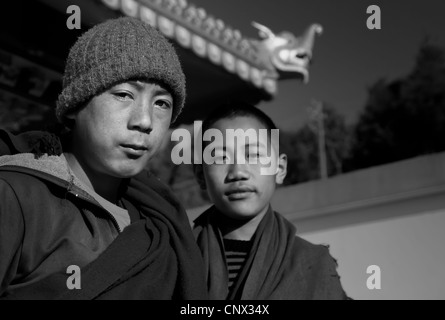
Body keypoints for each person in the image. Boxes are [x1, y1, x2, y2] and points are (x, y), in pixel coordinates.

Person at [0, 16, 207, 299]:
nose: (145, 120)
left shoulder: (160, 221)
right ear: (75, 105)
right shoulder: (15, 196)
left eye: (161, 103)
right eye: (123, 94)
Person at [192, 101, 349, 300]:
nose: (238, 172)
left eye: (254, 155)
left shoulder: (312, 263)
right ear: (200, 175)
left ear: (280, 169)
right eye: (220, 157)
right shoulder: (174, 259)